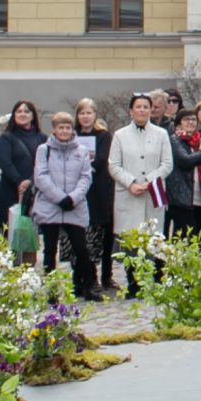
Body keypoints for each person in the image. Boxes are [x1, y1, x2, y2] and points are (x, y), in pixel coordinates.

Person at [29, 110, 97, 299]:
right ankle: (51, 290)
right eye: (61, 127)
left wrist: (73, 198)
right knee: (50, 249)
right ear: (54, 129)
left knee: (81, 248)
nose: (65, 131)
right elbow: (41, 176)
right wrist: (59, 197)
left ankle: (88, 286)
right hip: (50, 204)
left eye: (68, 127)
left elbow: (86, 177)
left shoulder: (81, 150)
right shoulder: (44, 150)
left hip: (75, 205)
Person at [108, 91, 172, 258]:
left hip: (152, 194)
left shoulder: (161, 134)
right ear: (131, 111)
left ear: (151, 110)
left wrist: (149, 181)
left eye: (146, 107)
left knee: (151, 248)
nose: (142, 110)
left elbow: (167, 164)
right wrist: (131, 183)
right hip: (128, 195)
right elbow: (114, 165)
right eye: (138, 107)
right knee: (130, 250)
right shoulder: (120, 135)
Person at [72, 100, 110, 299]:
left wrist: (82, 169)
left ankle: (92, 277)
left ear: (95, 115)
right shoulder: (71, 134)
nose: (85, 117)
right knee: (75, 237)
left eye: (89, 113)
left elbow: (102, 159)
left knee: (93, 236)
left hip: (95, 190)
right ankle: (77, 276)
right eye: (82, 113)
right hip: (74, 190)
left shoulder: (103, 135)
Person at [0, 101, 41, 229]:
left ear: (33, 116)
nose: (22, 114)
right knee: (10, 230)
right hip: (11, 189)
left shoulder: (42, 138)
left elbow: (44, 164)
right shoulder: (7, 137)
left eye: (26, 111)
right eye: (19, 111)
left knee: (33, 232)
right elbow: (5, 163)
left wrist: (31, 181)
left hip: (35, 189)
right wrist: (20, 182)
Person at [167, 111, 201, 239]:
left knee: (200, 235)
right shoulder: (175, 140)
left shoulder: (200, 141)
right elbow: (185, 161)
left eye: (193, 119)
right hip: (182, 197)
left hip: (200, 197)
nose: (191, 122)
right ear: (178, 124)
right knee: (185, 236)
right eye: (186, 119)